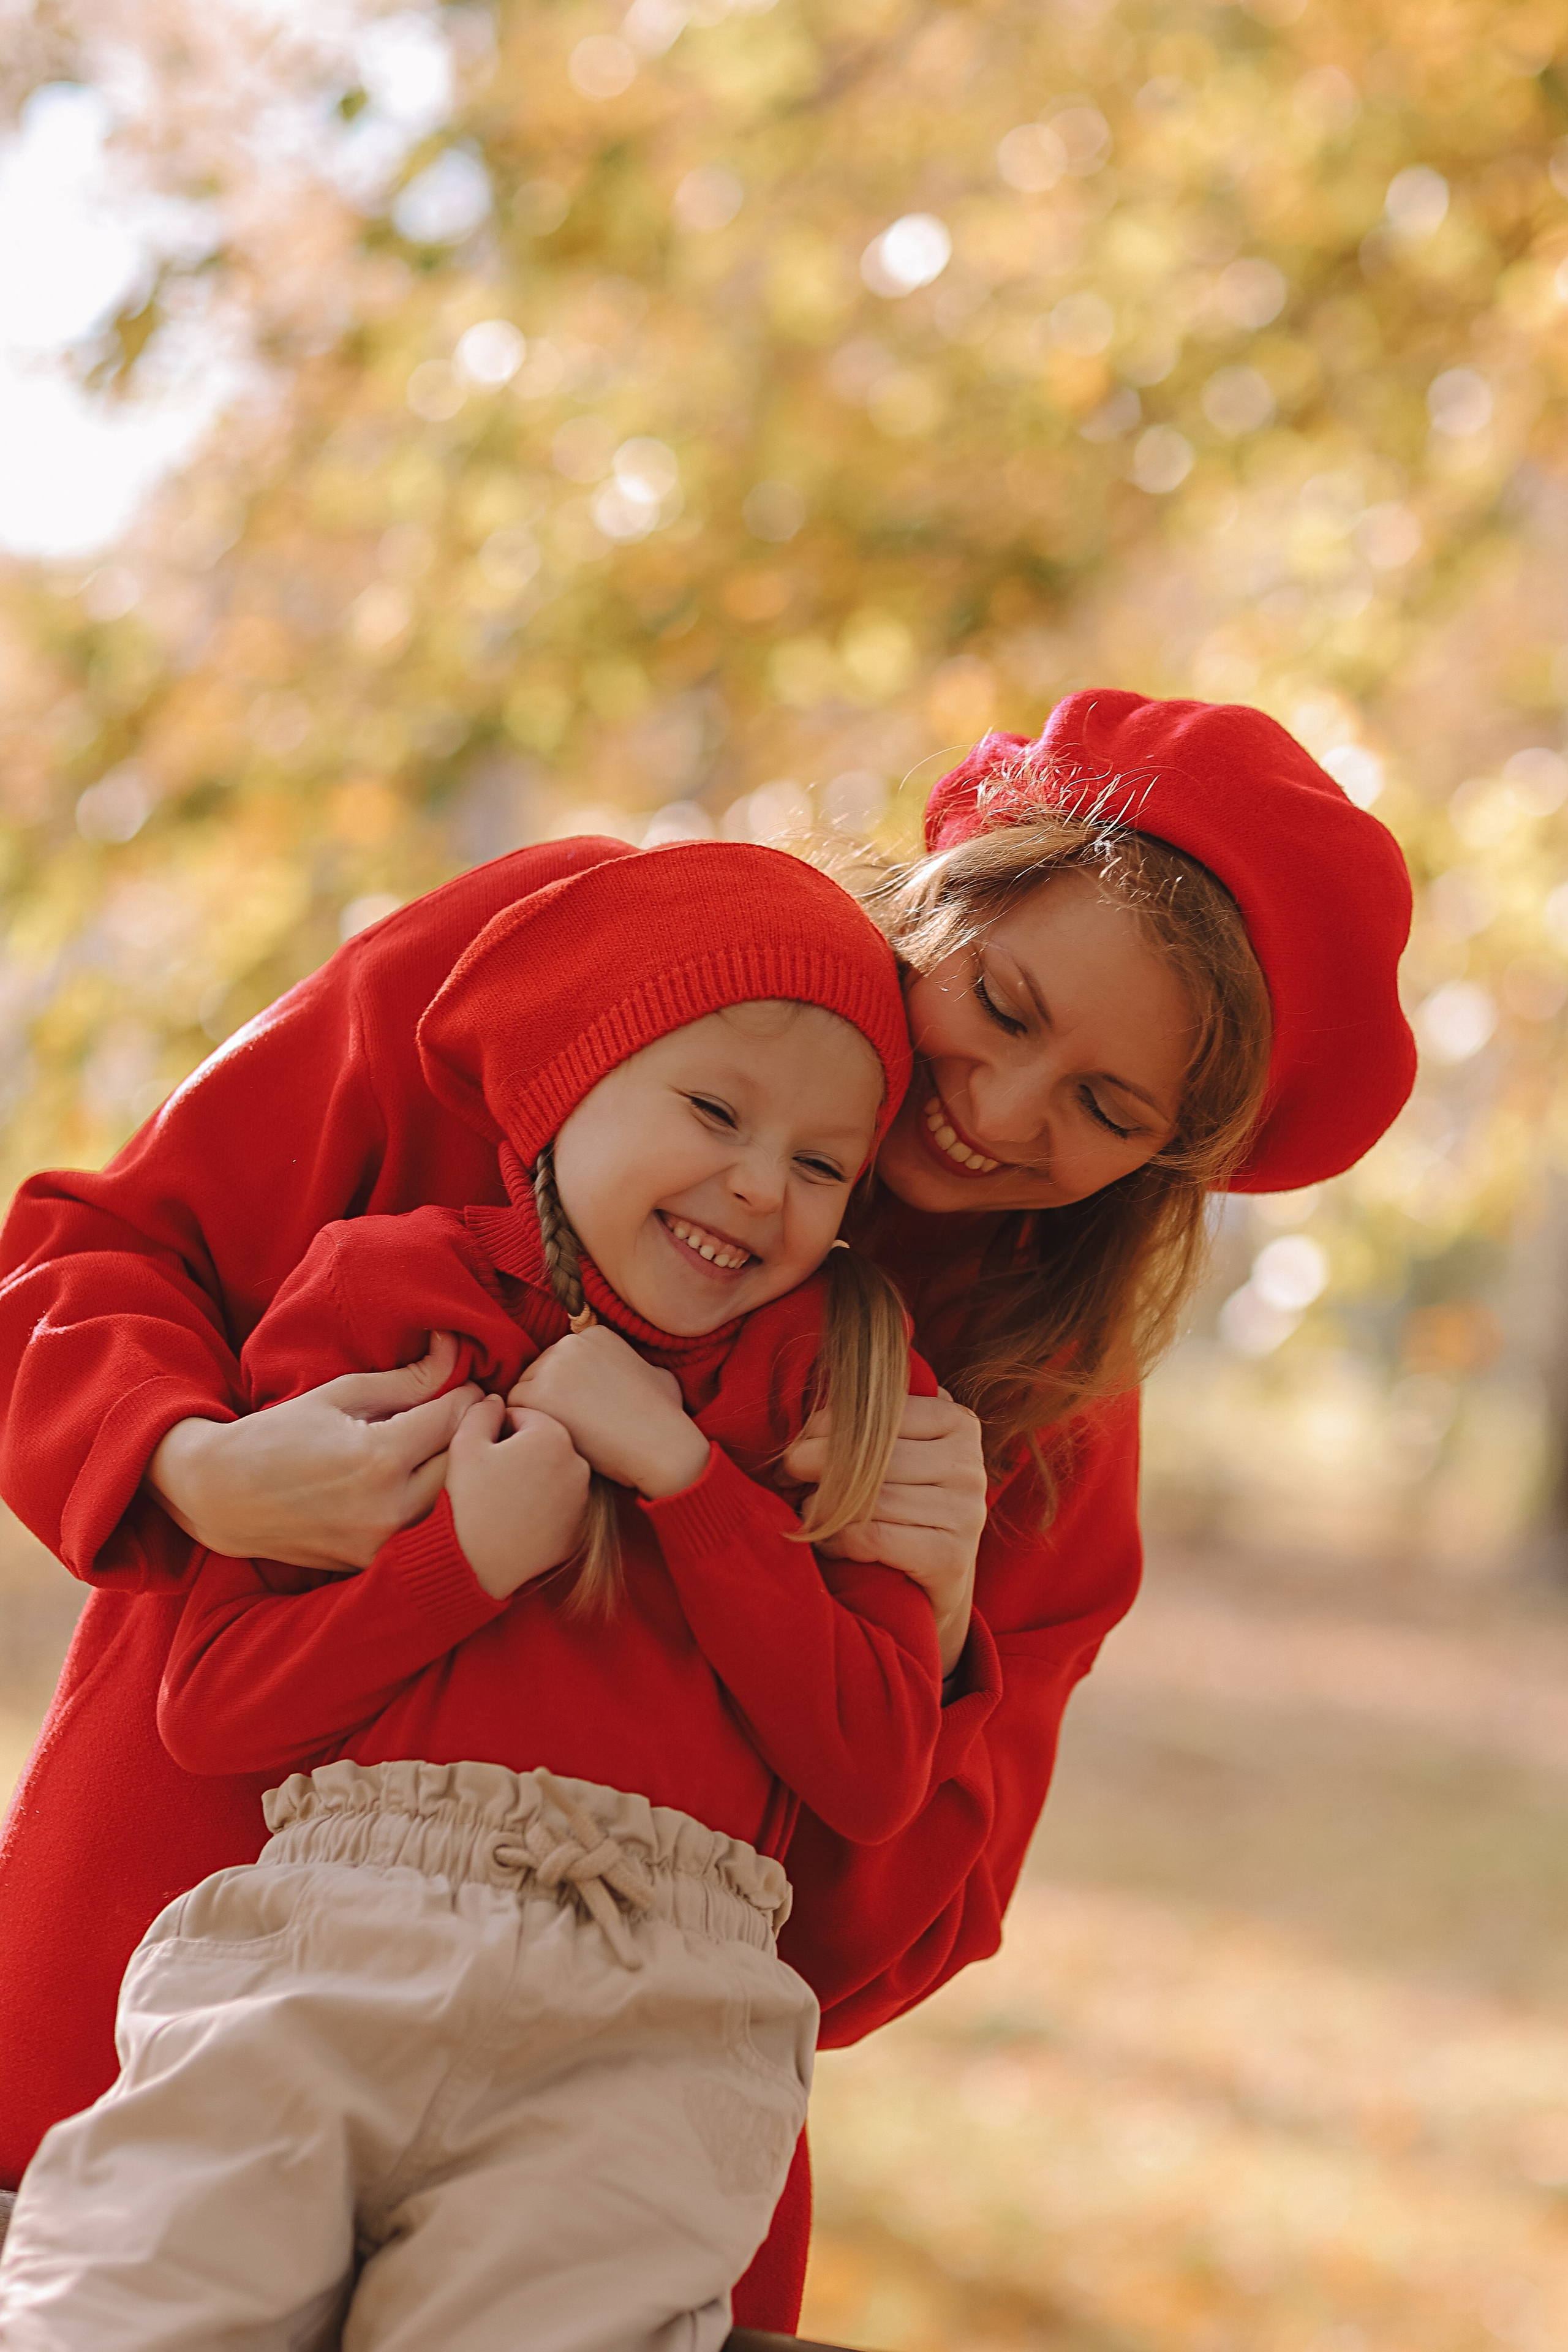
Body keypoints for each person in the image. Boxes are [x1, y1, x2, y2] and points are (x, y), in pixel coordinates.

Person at [0, 690, 1416, 2328]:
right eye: (1002, 1004)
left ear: (1174, 1162)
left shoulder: (1046, 1422)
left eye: (1109, 1111)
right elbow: (88, 1260)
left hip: (591, 2186)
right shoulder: (568, 962)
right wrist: (190, 1463)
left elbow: (869, 1954)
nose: (1008, 1113)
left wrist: (930, 1640)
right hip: (147, 2040)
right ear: (944, 893)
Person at [0, 840, 952, 2350]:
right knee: (128, 2303)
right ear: (568, 1078)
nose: (761, 1184)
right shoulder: (384, 1297)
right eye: (712, 1109)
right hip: (324, 1948)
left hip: (656, 2022)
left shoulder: (850, 1383)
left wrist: (690, 1491)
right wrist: (462, 1564)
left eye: (826, 1164)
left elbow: (876, 1767)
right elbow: (218, 1705)